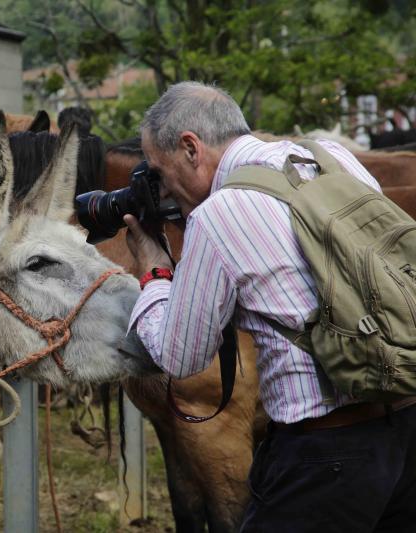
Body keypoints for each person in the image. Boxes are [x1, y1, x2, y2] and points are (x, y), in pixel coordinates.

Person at [125, 81, 416, 532]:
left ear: (190, 148)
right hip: (405, 423)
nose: (162, 193)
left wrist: (155, 275)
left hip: (324, 453)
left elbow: (180, 358)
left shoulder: (219, 215)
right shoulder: (331, 157)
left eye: (159, 175)